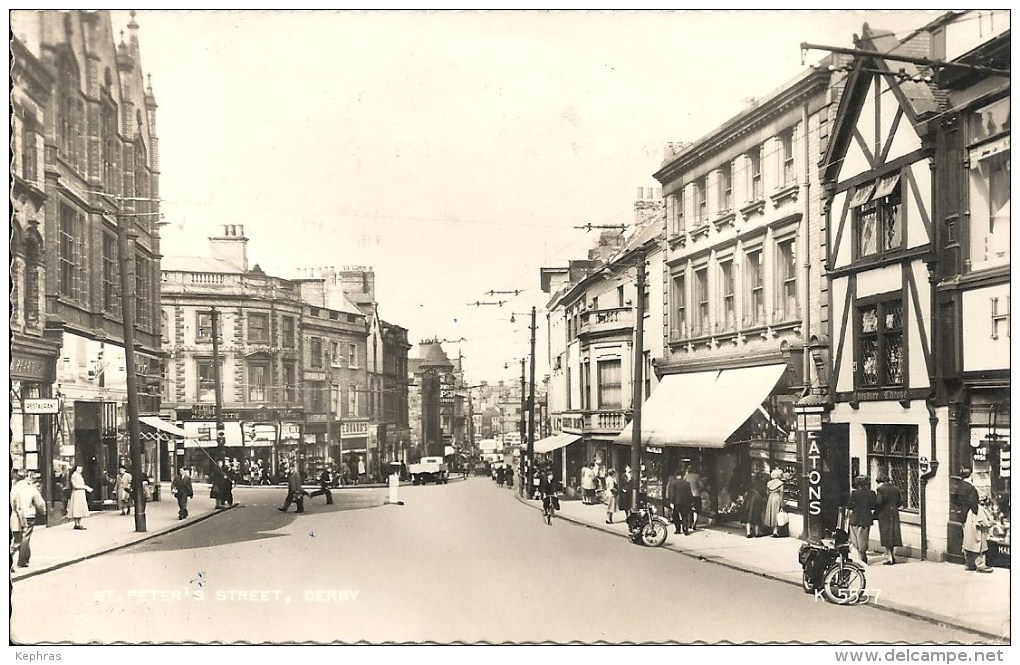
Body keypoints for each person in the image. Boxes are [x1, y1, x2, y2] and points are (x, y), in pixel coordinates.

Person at [959, 469, 993, 573]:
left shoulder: (959, 486)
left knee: (968, 541)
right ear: (971, 476)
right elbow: (974, 505)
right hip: (972, 516)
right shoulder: (971, 488)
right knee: (979, 540)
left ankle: (969, 564)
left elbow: (955, 500)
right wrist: (980, 516)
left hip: (963, 516)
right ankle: (980, 565)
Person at [10, 471, 46, 570]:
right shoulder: (31, 488)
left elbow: (12, 502)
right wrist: (44, 512)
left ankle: (24, 558)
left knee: (17, 537)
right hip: (28, 514)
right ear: (26, 477)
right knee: (25, 536)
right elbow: (40, 503)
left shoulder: (14, 488)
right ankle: (22, 560)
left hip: (15, 515)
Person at [846, 475, 877, 563]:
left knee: (855, 538)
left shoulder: (854, 493)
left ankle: (860, 557)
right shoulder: (871, 493)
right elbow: (873, 506)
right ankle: (862, 556)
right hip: (866, 517)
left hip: (855, 518)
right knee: (863, 538)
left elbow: (849, 505)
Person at [873, 475, 903, 565]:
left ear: (880, 482)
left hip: (884, 513)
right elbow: (900, 502)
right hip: (894, 512)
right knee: (892, 534)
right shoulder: (896, 489)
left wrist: (875, 513)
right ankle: (891, 556)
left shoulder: (880, 489)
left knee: (886, 534)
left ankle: (890, 558)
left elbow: (878, 502)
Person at [665, 469, 695, 535]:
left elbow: (672, 494)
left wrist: (671, 502)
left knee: (675, 516)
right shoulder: (686, 483)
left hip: (676, 502)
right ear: (682, 475)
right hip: (685, 502)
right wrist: (691, 502)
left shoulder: (673, 483)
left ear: (676, 476)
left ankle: (678, 529)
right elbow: (689, 493)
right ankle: (685, 530)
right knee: (685, 516)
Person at [739, 473, 765, 538]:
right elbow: (763, 493)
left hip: (749, 498)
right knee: (757, 516)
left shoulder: (752, 483)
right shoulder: (762, 484)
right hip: (757, 499)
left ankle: (748, 532)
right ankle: (756, 532)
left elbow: (746, 489)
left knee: (749, 516)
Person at [67, 465, 92, 530]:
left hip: (81, 493)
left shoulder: (79, 475)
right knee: (77, 508)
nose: (80, 469)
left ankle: (78, 523)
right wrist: (85, 487)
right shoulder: (74, 475)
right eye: (79, 468)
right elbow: (75, 485)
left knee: (80, 508)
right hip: (77, 493)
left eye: (81, 468)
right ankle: (76, 524)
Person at [762, 469, 785, 537]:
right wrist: (782, 503)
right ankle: (775, 531)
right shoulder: (780, 483)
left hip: (770, 498)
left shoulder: (769, 483)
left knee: (771, 513)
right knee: (776, 514)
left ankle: (772, 529)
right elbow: (781, 493)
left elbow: (767, 492)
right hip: (777, 498)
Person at [684, 465, 704, 531]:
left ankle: (689, 523)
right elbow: (701, 485)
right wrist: (699, 489)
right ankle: (694, 523)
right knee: (696, 510)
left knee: (689, 510)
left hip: (687, 495)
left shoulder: (685, 476)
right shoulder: (697, 476)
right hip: (696, 494)